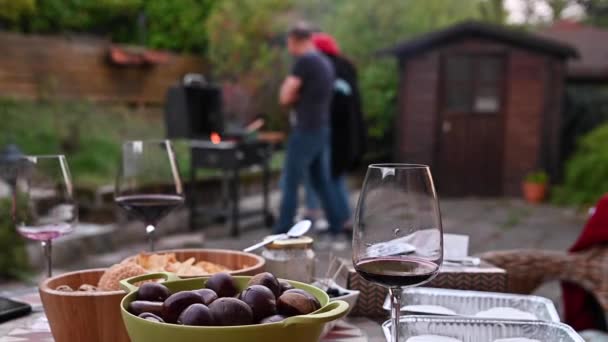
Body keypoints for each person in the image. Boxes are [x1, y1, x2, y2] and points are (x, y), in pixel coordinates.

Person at [275, 23, 349, 242]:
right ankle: (338, 223)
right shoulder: (325, 62)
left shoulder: (305, 62)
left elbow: (285, 96)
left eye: (289, 43)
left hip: (306, 129)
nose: (289, 48)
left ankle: (282, 230)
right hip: (321, 128)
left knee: (290, 180)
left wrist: (294, 96)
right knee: (320, 180)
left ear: (297, 40)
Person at [298, 33, 367, 231]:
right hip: (348, 133)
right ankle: (337, 219)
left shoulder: (328, 69)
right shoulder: (345, 67)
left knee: (331, 176)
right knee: (333, 176)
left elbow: (331, 104)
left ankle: (343, 221)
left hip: (334, 134)